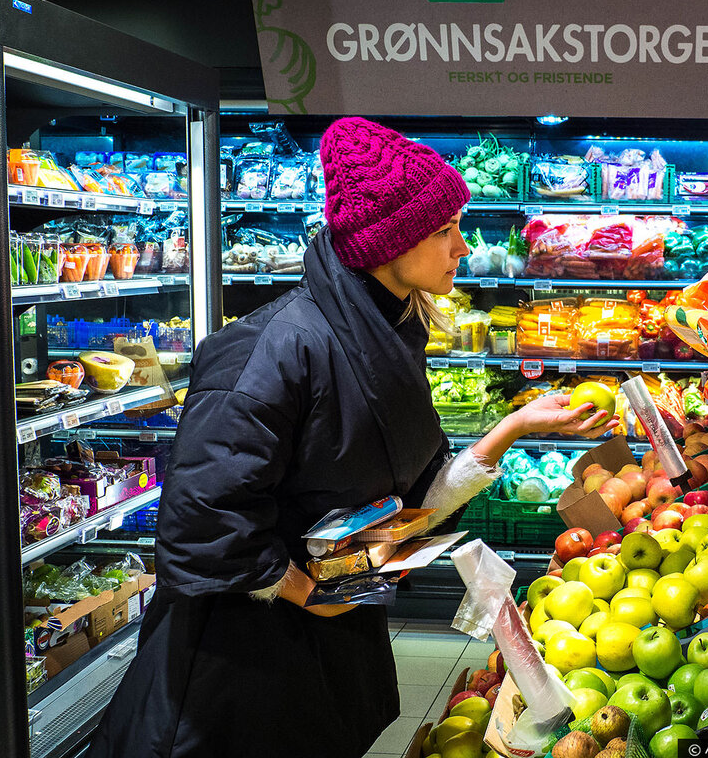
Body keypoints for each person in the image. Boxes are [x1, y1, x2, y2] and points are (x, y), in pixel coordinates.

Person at [88, 117, 618, 758]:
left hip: (321, 656)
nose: (462, 249)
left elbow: (405, 505)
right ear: (389, 242)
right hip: (234, 673)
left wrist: (509, 430)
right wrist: (307, 591)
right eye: (444, 230)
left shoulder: (386, 334)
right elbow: (203, 520)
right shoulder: (269, 349)